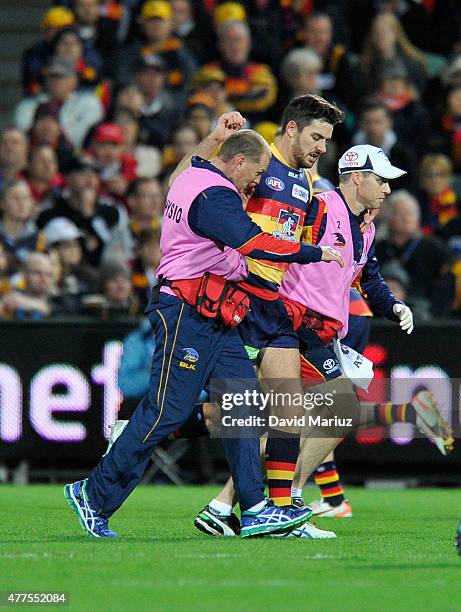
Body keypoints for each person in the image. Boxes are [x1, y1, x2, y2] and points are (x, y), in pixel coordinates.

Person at [64, 119, 341, 539]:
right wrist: (315, 251)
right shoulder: (216, 197)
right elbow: (254, 242)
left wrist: (212, 138)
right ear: (240, 162)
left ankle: (255, 510)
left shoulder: (193, 174)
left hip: (215, 314)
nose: (259, 182)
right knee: (166, 411)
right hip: (186, 312)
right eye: (257, 172)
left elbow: (180, 170)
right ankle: (93, 494)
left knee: (244, 405)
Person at [196, 145, 453, 535]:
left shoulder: (366, 227)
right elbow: (270, 243)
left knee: (307, 419)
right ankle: (282, 500)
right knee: (310, 416)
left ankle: (230, 505)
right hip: (286, 323)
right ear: (356, 178)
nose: (386, 190)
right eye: (381, 180)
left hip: (317, 330)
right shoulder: (317, 209)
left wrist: (395, 306)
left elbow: (369, 280)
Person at [169, 96, 345, 539]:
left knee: (284, 410)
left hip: (273, 305)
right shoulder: (254, 163)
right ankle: (151, 432)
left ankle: (267, 511)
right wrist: (213, 141)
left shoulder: (305, 183)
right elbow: (182, 185)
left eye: (326, 139)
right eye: (316, 136)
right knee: (249, 414)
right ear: (291, 129)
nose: (322, 146)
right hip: (237, 300)